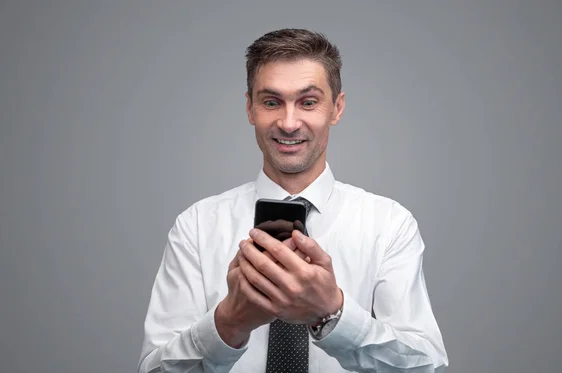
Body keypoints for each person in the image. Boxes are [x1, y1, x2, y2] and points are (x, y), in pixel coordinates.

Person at [138, 28, 448, 373]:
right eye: (272, 102)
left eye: (308, 102)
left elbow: (425, 366)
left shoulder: (389, 225)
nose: (288, 123)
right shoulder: (196, 226)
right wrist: (229, 322)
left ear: (337, 108)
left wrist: (333, 313)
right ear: (250, 108)